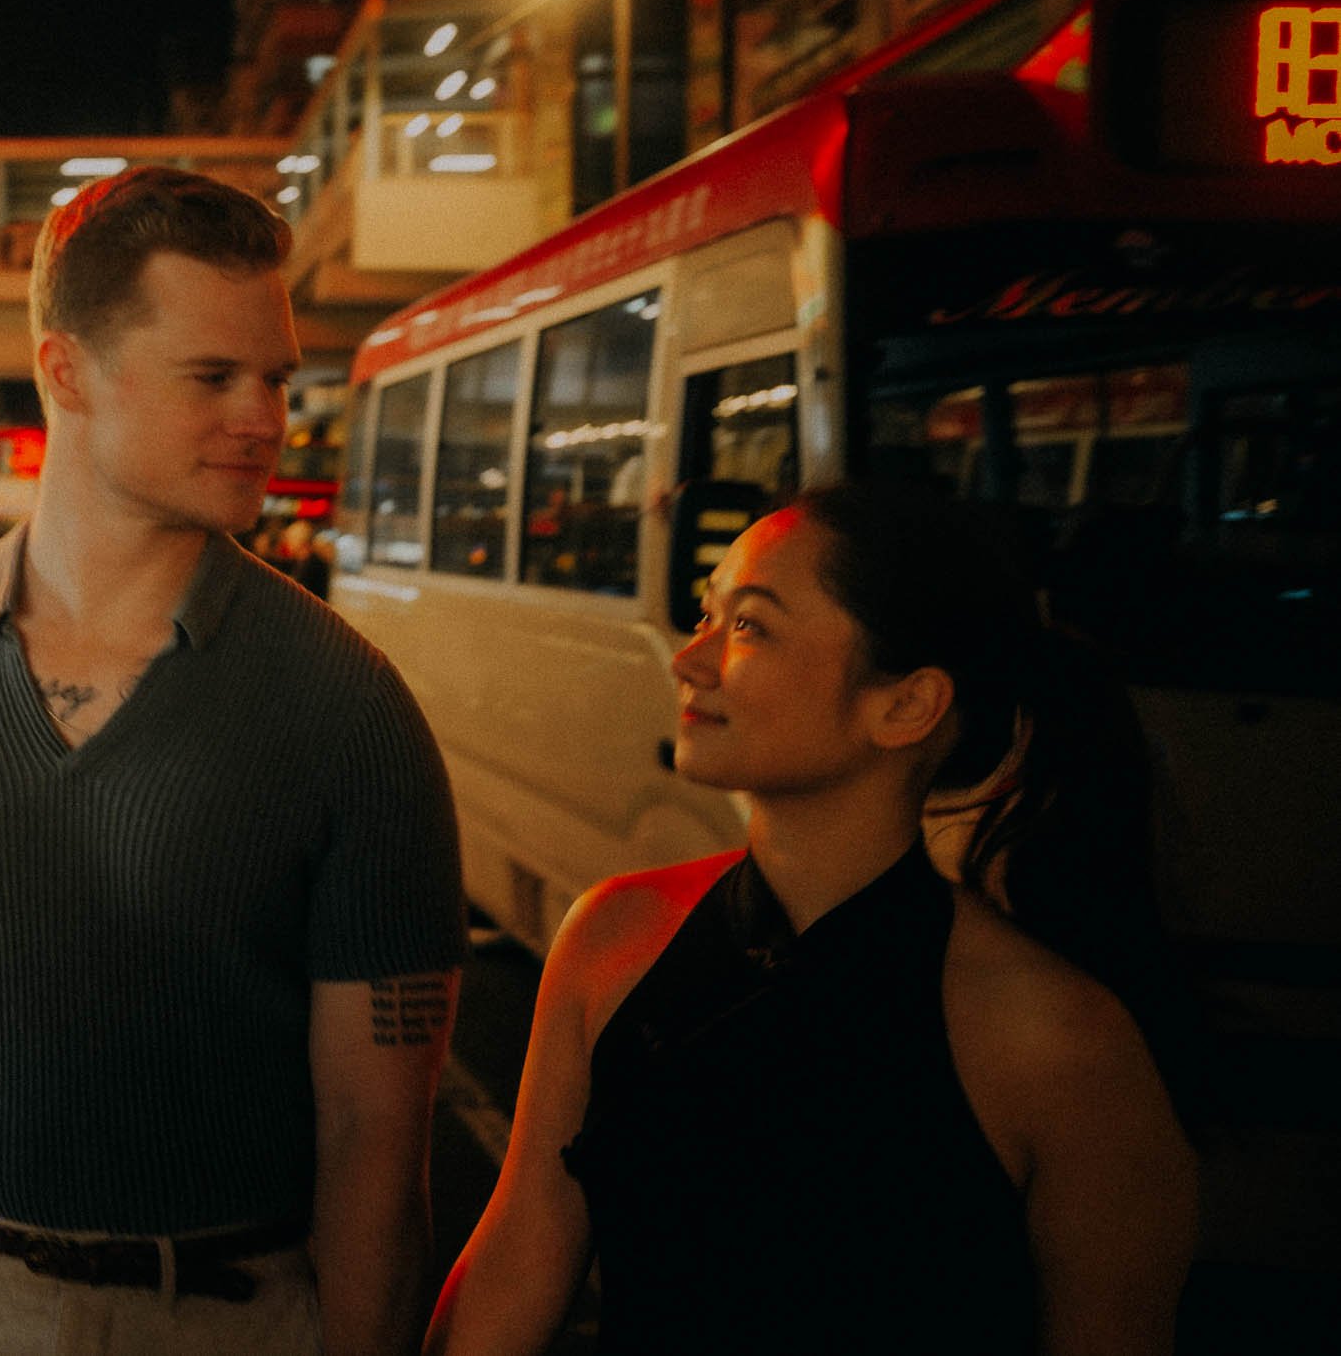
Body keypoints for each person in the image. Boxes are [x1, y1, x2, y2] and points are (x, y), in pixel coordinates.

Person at [0, 166, 467, 1355]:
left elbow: (376, 1132)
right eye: (213, 377)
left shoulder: (348, 709)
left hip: (227, 1315)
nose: (265, 418)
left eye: (276, 379)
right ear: (66, 372)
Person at [427, 483, 1195, 1356]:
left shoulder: (1057, 1039)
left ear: (906, 705)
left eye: (749, 625)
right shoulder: (613, 938)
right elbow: (521, 1253)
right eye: (707, 614)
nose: (691, 658)